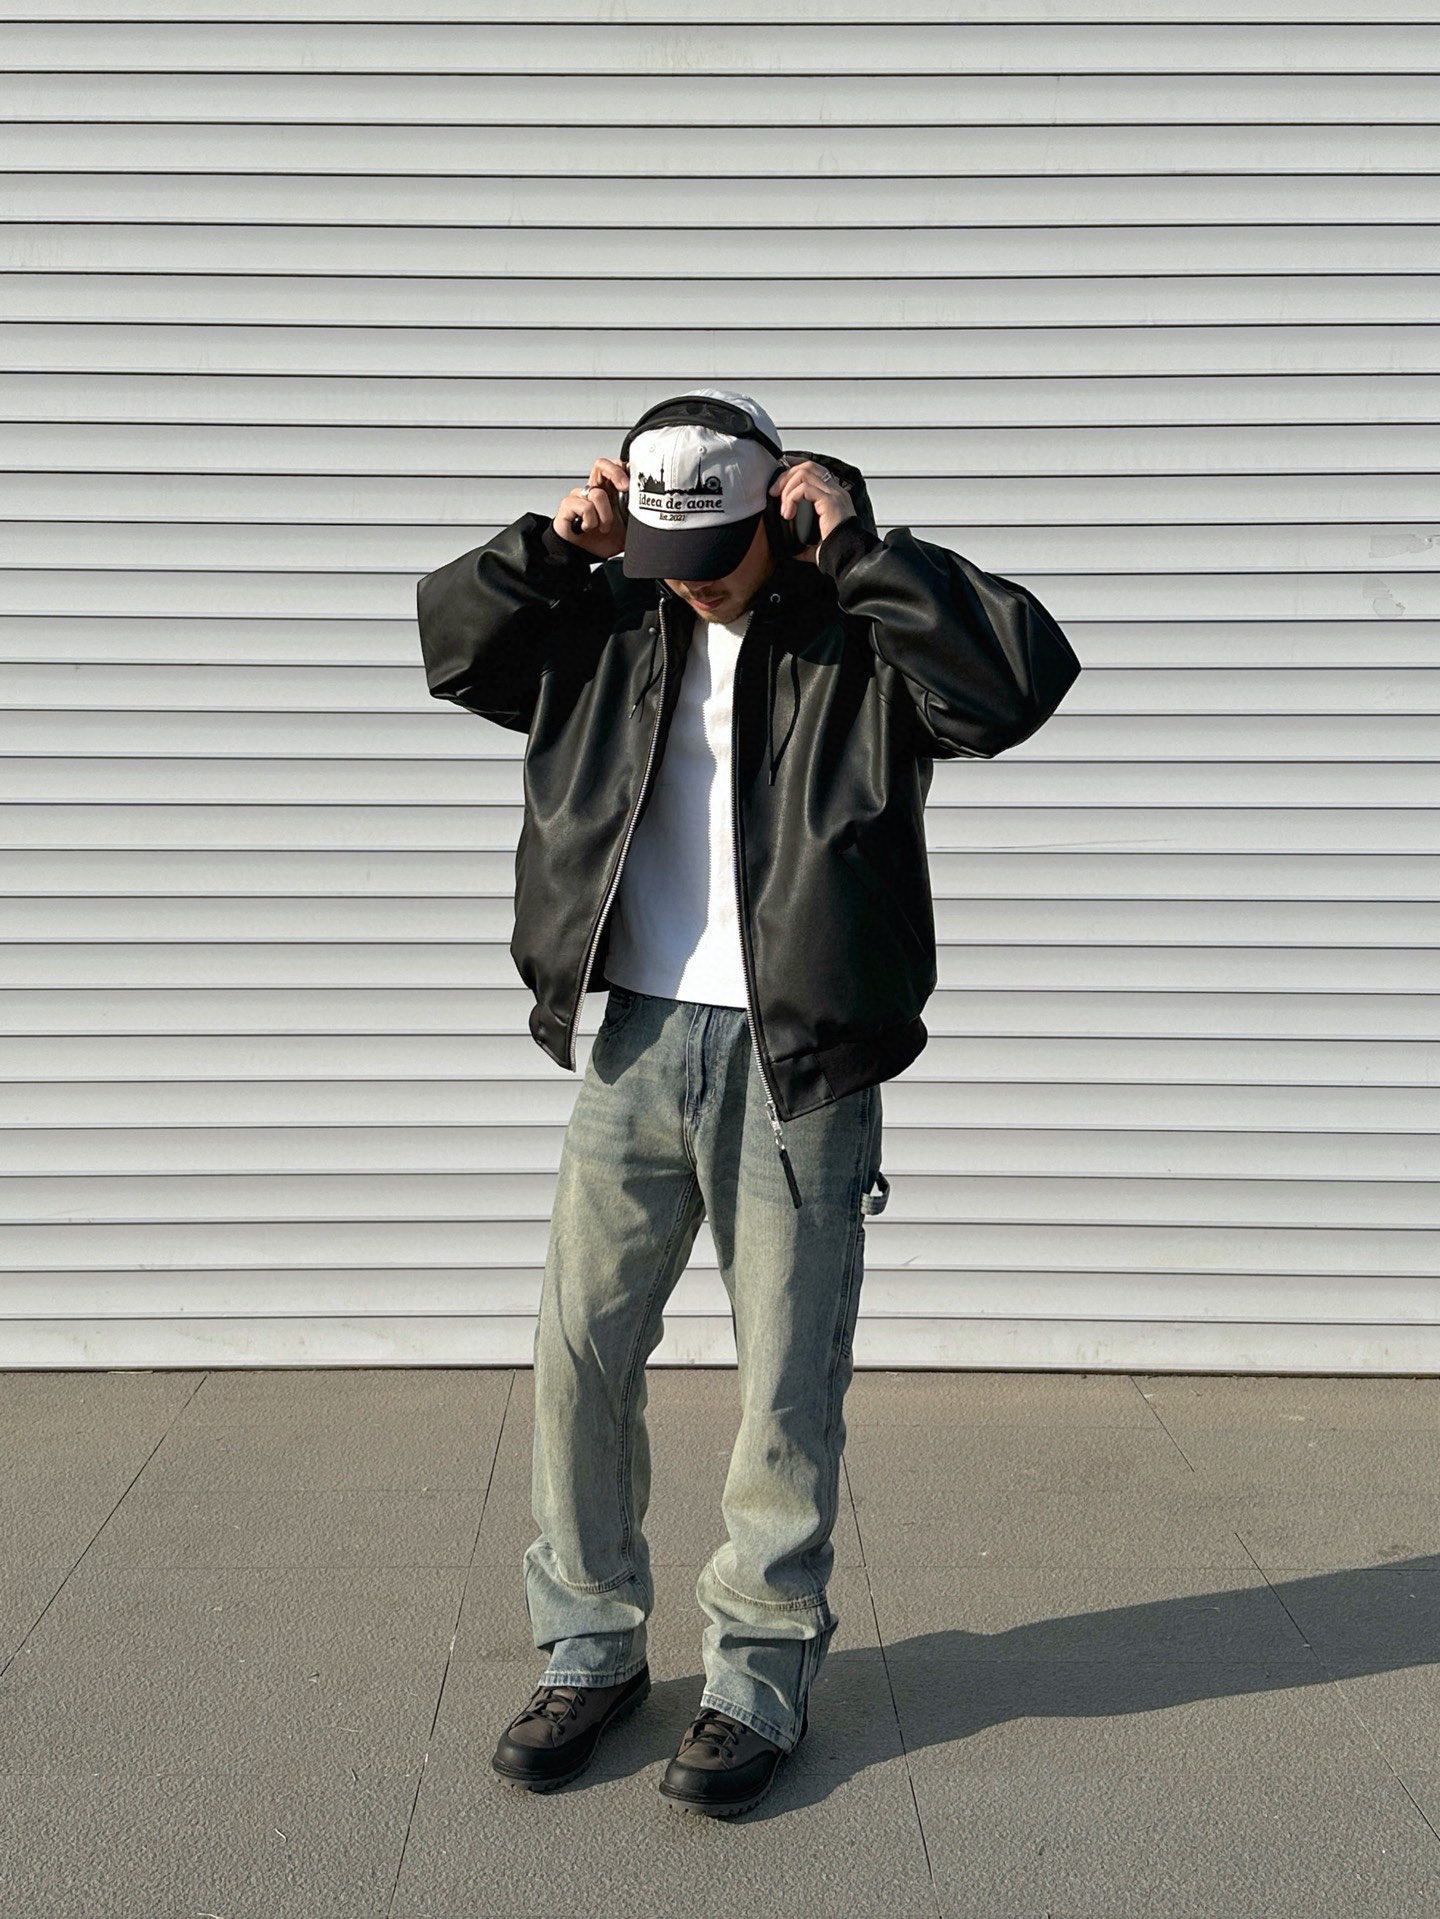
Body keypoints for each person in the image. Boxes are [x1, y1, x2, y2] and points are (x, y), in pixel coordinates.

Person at [415, 388, 1081, 1818]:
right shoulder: (605, 617)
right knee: (578, 1355)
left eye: (719, 552)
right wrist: (552, 546)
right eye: (671, 556)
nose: (696, 582)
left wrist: (869, 552)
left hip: (802, 1058)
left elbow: (1018, 685)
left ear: (781, 510)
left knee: (784, 1380)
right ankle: (589, 1649)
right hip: (636, 1040)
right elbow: (451, 647)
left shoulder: (860, 631)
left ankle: (758, 1675)